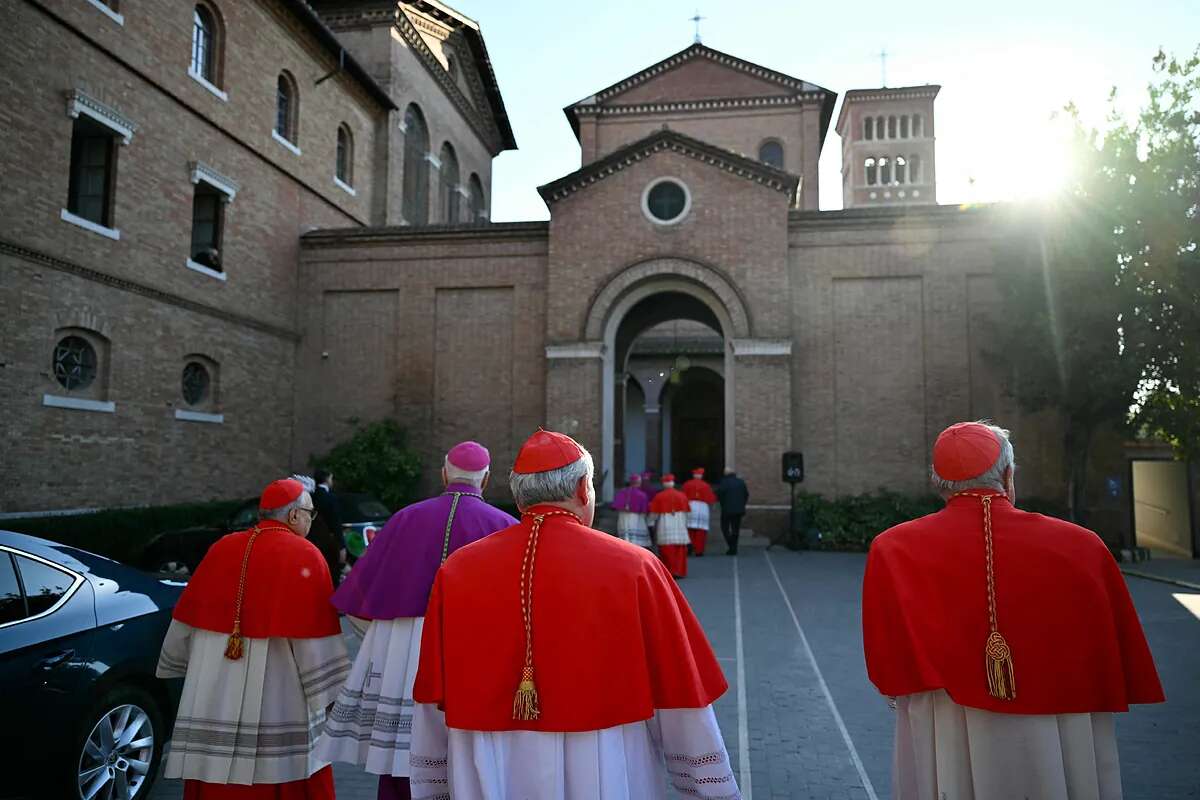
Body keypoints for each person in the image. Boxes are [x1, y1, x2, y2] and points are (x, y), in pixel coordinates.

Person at [408, 429, 740, 799]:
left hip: (487, 761)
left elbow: (433, 690)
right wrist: (709, 785)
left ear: (519, 496)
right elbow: (678, 686)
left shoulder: (458, 569)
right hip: (606, 756)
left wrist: (434, 777)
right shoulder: (635, 566)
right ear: (584, 489)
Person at [862, 421, 1165, 800]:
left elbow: (889, 660)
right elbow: (1114, 649)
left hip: (947, 724)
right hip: (1060, 719)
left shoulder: (893, 549)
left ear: (939, 484)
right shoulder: (1083, 547)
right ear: (1007, 475)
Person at [316, 442, 516, 800]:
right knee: (471, 763)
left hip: (405, 655)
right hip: (474, 657)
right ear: (486, 480)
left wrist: (386, 643)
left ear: (443, 474)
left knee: (402, 763)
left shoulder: (404, 519)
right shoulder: (505, 527)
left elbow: (360, 602)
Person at [156, 478, 349, 799]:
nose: (310, 522)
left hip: (217, 677)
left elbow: (188, 615)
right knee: (279, 767)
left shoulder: (222, 547)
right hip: (279, 683)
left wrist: (180, 661)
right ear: (293, 516)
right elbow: (315, 637)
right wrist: (328, 693)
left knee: (217, 763)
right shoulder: (305, 554)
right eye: (310, 515)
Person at [649, 473, 691, 577]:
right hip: (679, 526)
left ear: (664, 484)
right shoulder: (682, 496)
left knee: (666, 551)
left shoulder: (659, 496)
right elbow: (688, 513)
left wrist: (650, 523)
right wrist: (686, 524)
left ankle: (669, 572)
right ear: (673, 483)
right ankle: (679, 571)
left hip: (665, 526)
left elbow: (653, 514)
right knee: (680, 551)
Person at [309, 469, 346, 585]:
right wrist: (341, 545)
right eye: (331, 478)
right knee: (331, 574)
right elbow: (336, 524)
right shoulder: (330, 498)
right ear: (327, 479)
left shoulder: (310, 496)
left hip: (311, 540)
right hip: (328, 542)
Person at [681, 467, 717, 556]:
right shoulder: (706, 485)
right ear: (701, 476)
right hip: (702, 507)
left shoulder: (687, 484)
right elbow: (711, 498)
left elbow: (683, 496)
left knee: (690, 529)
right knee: (701, 531)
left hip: (690, 506)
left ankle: (689, 548)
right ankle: (699, 551)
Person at [611, 472, 652, 548]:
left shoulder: (622, 492)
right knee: (637, 543)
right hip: (637, 519)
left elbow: (615, 507)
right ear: (639, 482)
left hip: (623, 518)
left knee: (625, 540)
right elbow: (645, 511)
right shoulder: (642, 495)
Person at [714, 467, 749, 555]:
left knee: (725, 528)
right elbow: (746, 495)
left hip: (727, 510)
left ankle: (731, 545)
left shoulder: (724, 482)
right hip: (739, 510)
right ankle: (734, 548)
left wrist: (721, 502)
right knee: (735, 530)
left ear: (726, 473)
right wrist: (742, 504)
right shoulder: (741, 482)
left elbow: (719, 493)